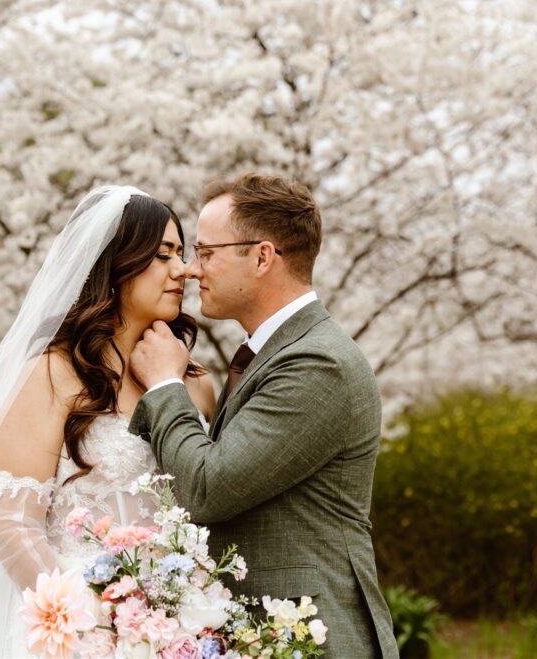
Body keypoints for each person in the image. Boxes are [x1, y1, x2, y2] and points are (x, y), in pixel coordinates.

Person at [129, 173, 400, 658]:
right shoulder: (275, 352)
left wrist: (166, 386)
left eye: (207, 252)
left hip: (314, 639)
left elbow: (208, 488)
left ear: (261, 257)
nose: (191, 270)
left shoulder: (319, 364)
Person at [0, 186, 216, 657]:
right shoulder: (55, 373)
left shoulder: (195, 384)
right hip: (76, 633)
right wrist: (97, 629)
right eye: (163, 254)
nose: (182, 270)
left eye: (182, 253)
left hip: (184, 630)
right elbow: (10, 524)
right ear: (115, 263)